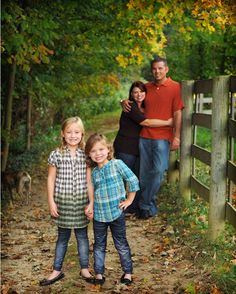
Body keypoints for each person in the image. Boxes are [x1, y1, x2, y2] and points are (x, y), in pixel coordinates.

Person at [122, 56, 184, 219]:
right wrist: (123, 101)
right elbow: (135, 99)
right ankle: (148, 208)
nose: (157, 71)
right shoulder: (146, 87)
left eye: (160, 68)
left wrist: (177, 136)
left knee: (157, 171)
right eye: (154, 69)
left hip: (163, 138)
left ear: (166, 69)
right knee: (143, 175)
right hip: (144, 137)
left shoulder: (175, 87)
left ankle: (144, 204)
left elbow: (178, 113)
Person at [40, 116, 94, 286]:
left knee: (82, 237)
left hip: (80, 202)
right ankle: (56, 270)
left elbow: (89, 181)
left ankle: (84, 269)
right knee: (62, 237)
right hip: (62, 202)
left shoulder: (86, 154)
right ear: (63, 134)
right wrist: (51, 201)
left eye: (76, 132)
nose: (73, 135)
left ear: (82, 133)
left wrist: (91, 202)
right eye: (69, 132)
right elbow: (50, 179)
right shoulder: (56, 154)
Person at [85, 133, 139, 286]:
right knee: (99, 245)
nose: (98, 154)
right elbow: (93, 192)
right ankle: (99, 274)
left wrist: (129, 200)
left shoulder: (117, 164)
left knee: (120, 243)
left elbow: (132, 179)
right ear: (89, 154)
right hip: (99, 215)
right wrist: (90, 205)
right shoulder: (94, 172)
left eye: (101, 149)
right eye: (94, 151)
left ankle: (127, 272)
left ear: (108, 149)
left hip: (116, 213)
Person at [113, 81, 173, 216]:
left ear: (146, 93)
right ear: (131, 94)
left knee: (136, 178)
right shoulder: (130, 106)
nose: (138, 95)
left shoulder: (146, 107)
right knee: (124, 178)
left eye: (141, 92)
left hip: (139, 147)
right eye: (135, 92)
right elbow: (146, 122)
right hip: (125, 146)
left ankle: (133, 207)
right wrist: (168, 122)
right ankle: (118, 208)